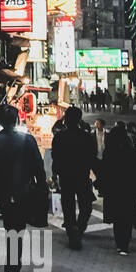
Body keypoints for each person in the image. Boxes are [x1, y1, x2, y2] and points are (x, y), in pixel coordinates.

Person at [0, 103, 47, 272]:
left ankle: (11, 269)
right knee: (17, 229)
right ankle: (12, 270)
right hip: (24, 191)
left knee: (11, 228)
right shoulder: (28, 140)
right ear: (16, 119)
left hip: (3, 192)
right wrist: (42, 186)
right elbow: (38, 167)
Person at [52, 105, 97, 250]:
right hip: (82, 175)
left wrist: (55, 174)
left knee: (68, 206)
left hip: (66, 176)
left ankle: (72, 232)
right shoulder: (86, 137)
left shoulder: (60, 137)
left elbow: (55, 157)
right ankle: (79, 227)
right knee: (86, 205)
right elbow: (92, 156)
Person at [99, 123, 136, 254]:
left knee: (117, 218)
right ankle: (125, 244)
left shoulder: (109, 152)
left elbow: (104, 170)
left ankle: (119, 244)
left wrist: (102, 186)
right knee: (127, 217)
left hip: (113, 189)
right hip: (129, 189)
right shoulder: (131, 151)